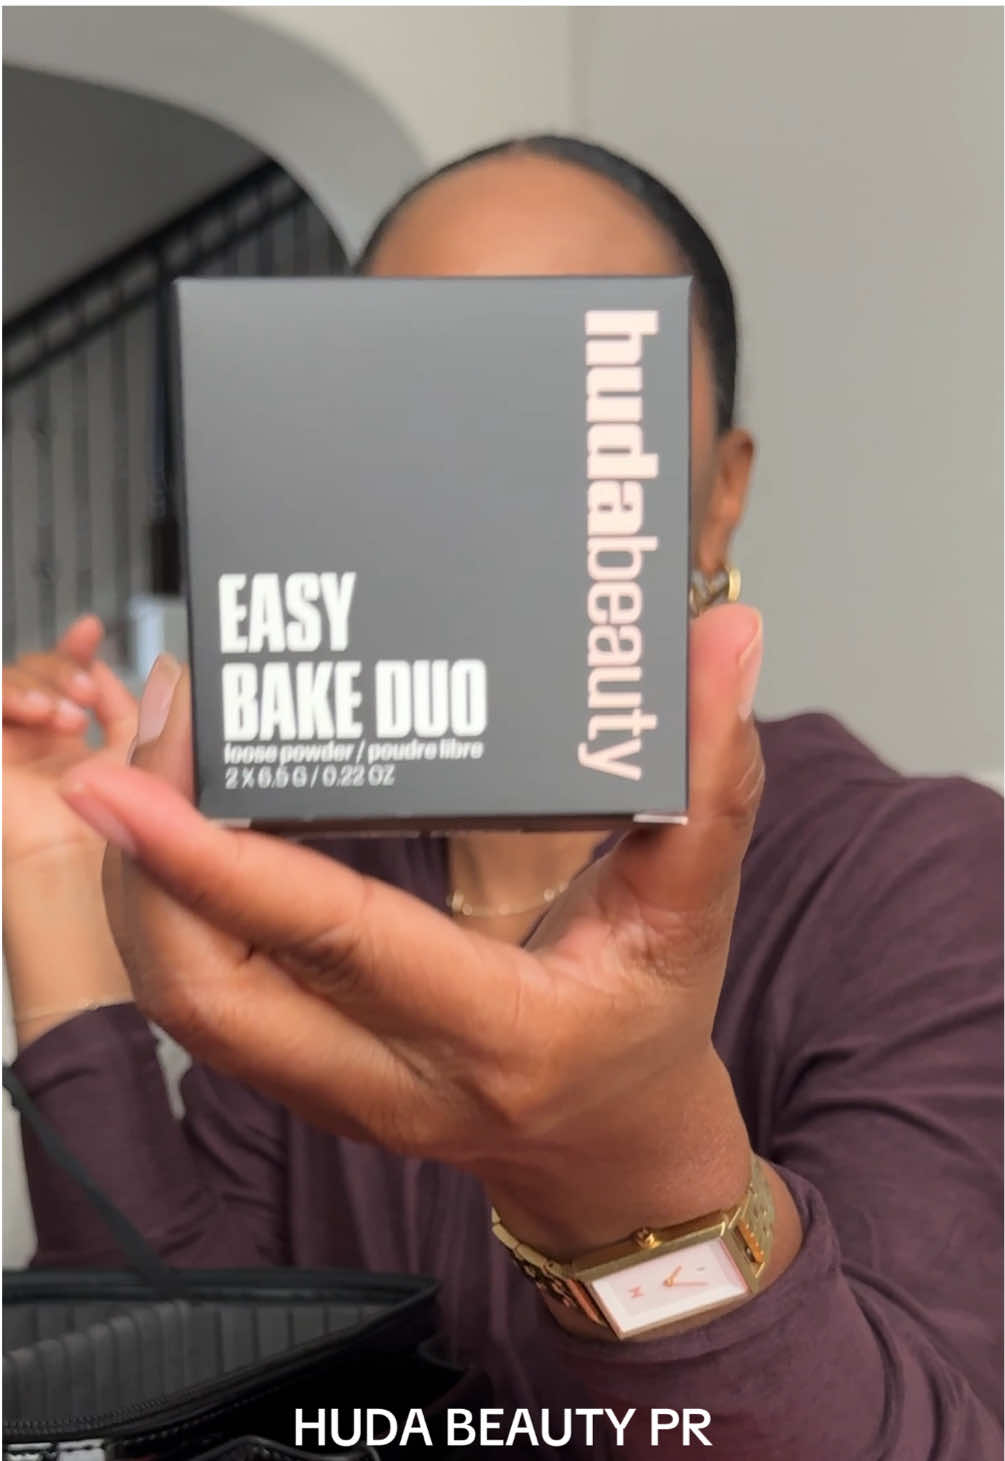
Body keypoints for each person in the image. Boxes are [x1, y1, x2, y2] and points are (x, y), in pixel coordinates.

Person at [3, 137, 1002, 1459]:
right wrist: (53, 893)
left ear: (717, 495)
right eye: (414, 388)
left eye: (569, 376)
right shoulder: (312, 879)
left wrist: (633, 1185)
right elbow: (185, 1376)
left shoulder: (918, 877)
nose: (477, 465)